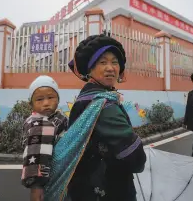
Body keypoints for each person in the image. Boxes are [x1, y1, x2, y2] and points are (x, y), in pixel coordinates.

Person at [44, 33, 146, 201]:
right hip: (107, 189)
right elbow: (136, 158)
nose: (110, 68)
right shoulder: (104, 105)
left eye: (115, 62)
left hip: (84, 187)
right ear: (90, 69)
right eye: (102, 62)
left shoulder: (86, 96)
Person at [21, 75, 68, 201]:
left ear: (58, 99)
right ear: (31, 103)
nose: (46, 103)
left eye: (51, 97)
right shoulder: (38, 124)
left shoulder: (56, 118)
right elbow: (36, 155)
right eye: (39, 99)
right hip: (44, 181)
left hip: (57, 176)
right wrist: (36, 185)